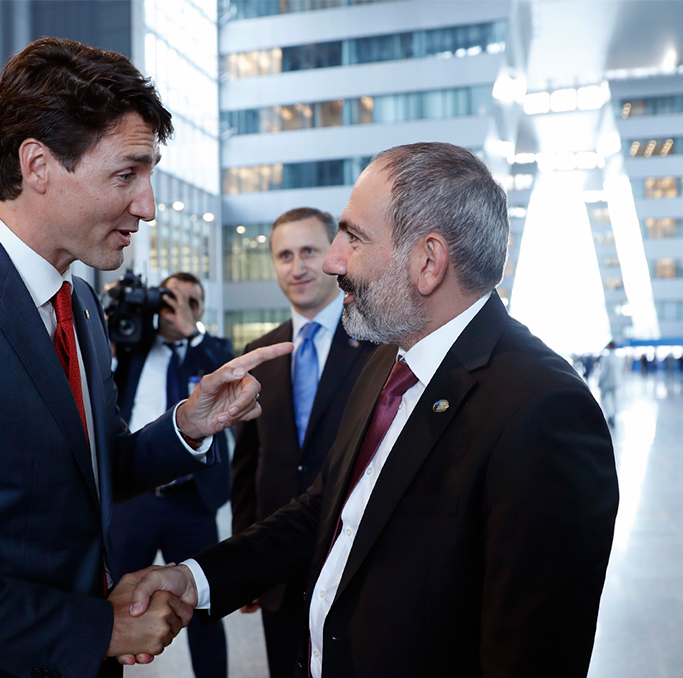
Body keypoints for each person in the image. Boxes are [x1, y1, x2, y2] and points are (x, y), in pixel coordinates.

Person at [0, 37, 290, 678]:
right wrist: (97, 628)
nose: (150, 206)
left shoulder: (78, 303)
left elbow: (92, 467)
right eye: (126, 174)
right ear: (38, 165)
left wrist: (187, 427)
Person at [127, 142, 620, 677]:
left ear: (428, 262)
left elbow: (529, 656)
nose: (333, 261)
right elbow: (329, 512)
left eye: (354, 238)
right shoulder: (389, 358)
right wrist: (194, 579)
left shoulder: (543, 412)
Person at [230, 208, 375, 678]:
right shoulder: (261, 357)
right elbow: (247, 469)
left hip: (353, 566)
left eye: (309, 251)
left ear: (336, 254)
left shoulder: (380, 348)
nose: (298, 267)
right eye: (284, 255)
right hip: (277, 573)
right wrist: (244, 563)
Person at [108, 272, 234, 678]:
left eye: (191, 302)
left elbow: (232, 382)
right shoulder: (131, 348)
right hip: (135, 502)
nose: (178, 309)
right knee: (112, 606)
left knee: (204, 611)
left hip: (193, 502)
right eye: (169, 300)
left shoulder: (210, 350)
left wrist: (188, 332)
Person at [598, 340, 623, 427]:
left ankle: (610, 415)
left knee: (604, 398)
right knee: (615, 399)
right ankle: (614, 415)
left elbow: (603, 372)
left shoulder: (606, 358)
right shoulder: (619, 358)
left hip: (607, 383)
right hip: (616, 382)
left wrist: (600, 382)